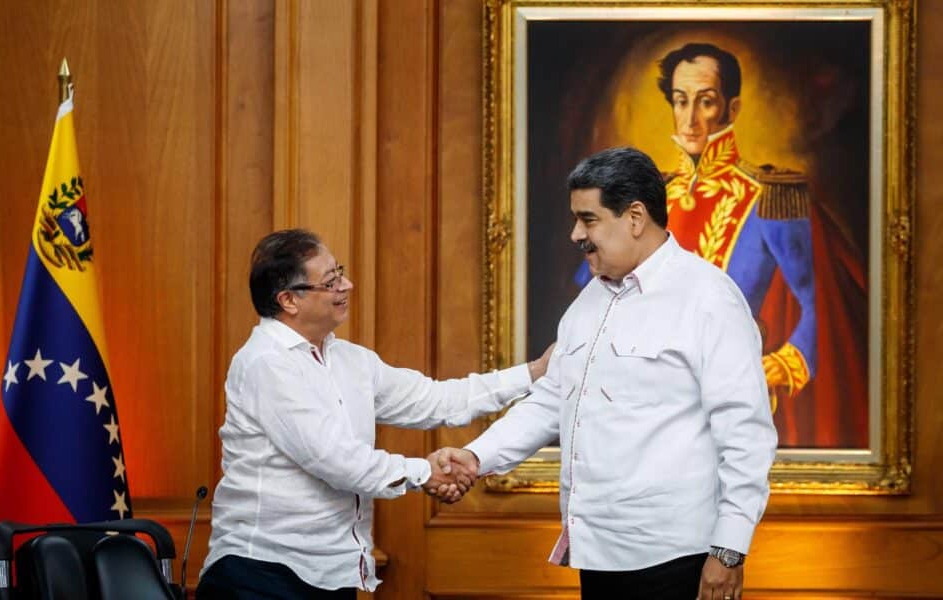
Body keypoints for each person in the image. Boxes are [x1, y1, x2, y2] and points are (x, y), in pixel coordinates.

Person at [439, 147, 777, 600]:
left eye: (589, 219)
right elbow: (552, 399)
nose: (576, 233)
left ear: (635, 217)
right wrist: (476, 458)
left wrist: (729, 550)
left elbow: (746, 434)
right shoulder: (590, 301)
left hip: (678, 561)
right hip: (598, 555)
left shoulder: (708, 298)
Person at [197, 229, 551, 599]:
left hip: (332, 574)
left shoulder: (352, 360)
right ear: (288, 300)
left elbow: (438, 399)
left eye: (341, 273)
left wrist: (533, 372)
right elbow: (335, 460)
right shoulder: (265, 364)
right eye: (331, 281)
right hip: (261, 575)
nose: (347, 285)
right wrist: (425, 472)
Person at [574, 43, 816, 417]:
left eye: (705, 101)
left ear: (731, 109)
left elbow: (817, 305)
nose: (689, 120)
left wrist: (780, 366)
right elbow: (590, 295)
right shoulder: (644, 198)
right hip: (638, 404)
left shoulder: (769, 197)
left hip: (727, 402)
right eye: (680, 100)